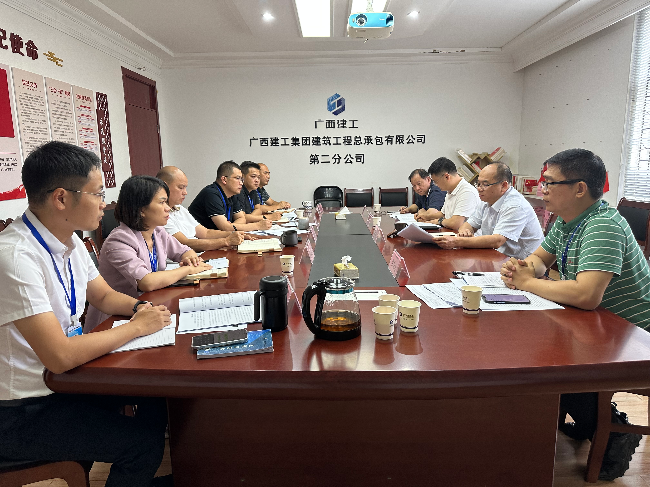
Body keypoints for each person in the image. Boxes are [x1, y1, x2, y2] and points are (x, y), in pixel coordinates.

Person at [0, 141, 172, 486]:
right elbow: (60, 356)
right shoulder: (15, 257)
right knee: (141, 445)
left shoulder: (70, 240)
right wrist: (136, 327)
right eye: (98, 193)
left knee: (156, 397)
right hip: (24, 410)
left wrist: (139, 307)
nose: (105, 203)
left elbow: (104, 295)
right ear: (61, 198)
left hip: (66, 382)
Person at [501, 148, 650, 480]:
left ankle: (614, 433)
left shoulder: (603, 225)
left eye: (550, 183)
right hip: (598, 325)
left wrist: (527, 282)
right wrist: (522, 268)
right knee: (542, 351)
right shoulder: (568, 220)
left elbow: (586, 295)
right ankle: (590, 421)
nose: (542, 189)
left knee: (552, 362)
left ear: (580, 188)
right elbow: (540, 260)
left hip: (633, 336)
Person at [85, 175, 212, 331]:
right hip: (117, 319)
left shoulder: (157, 232)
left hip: (149, 307)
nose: (168, 208)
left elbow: (184, 251)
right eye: (162, 202)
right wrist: (188, 269)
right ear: (142, 209)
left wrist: (190, 258)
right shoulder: (119, 240)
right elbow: (146, 282)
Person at [436, 162, 544, 259]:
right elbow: (468, 224)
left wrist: (457, 241)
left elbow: (497, 240)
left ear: (503, 186)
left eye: (485, 184)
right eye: (478, 184)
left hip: (526, 263)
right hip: (500, 257)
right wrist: (465, 231)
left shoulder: (515, 206)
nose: (479, 188)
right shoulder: (486, 199)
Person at [156, 166, 245, 251]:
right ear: (164, 187)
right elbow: (184, 243)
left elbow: (205, 233)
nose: (185, 192)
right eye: (181, 187)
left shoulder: (180, 209)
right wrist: (226, 241)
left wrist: (235, 234)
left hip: (198, 253)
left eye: (185, 188)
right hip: (187, 256)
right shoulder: (159, 214)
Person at [188, 161, 273, 232]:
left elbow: (241, 218)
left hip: (219, 237)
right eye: (237, 178)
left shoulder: (232, 193)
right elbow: (225, 227)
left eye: (241, 179)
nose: (241, 183)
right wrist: (257, 226)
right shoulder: (211, 194)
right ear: (224, 179)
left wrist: (231, 227)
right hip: (197, 240)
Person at [417, 157, 480, 231]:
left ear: (447, 177)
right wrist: (426, 217)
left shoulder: (467, 192)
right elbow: (443, 214)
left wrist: (439, 221)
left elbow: (455, 223)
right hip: (451, 233)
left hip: (466, 236)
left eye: (436, 182)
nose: (435, 185)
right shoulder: (450, 190)